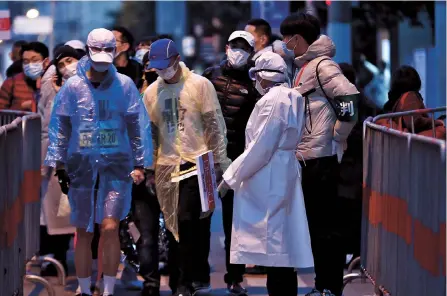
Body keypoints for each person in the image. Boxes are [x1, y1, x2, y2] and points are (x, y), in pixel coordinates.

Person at [45, 28, 149, 296]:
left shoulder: (124, 85)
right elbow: (61, 126)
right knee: (85, 230)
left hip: (117, 164)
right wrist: (59, 165)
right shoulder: (73, 87)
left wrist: (140, 163)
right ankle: (83, 286)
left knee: (111, 226)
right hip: (81, 165)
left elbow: (137, 125)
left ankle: (109, 289)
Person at [219, 51, 314, 296]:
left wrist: (230, 177)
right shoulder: (293, 97)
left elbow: (260, 147)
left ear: (263, 76)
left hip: (269, 174)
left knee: (274, 246)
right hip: (282, 171)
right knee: (281, 246)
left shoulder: (273, 101)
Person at [142, 38, 230, 296]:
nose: (161, 70)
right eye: (156, 66)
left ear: (177, 58)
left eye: (165, 64)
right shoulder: (151, 94)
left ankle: (194, 276)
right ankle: (180, 281)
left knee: (195, 223)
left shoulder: (200, 85)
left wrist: (219, 162)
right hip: (167, 166)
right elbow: (150, 134)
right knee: (174, 225)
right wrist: (149, 168)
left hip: (201, 163)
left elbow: (215, 124)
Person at [280, 12, 360, 296]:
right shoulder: (304, 67)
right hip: (307, 159)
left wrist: (337, 136)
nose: (284, 43)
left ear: (297, 38)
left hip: (321, 160)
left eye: (285, 38)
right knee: (315, 227)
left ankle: (329, 287)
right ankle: (322, 285)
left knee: (325, 229)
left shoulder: (322, 66)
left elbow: (349, 99)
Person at [202, 30, 258, 295]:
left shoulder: (253, 82)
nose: (238, 51)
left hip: (236, 160)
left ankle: (234, 277)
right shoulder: (209, 76)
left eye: (244, 48)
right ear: (226, 47)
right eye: (235, 46)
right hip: (205, 158)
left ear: (251, 52)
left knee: (234, 222)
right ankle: (198, 276)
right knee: (201, 217)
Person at [39, 45, 85, 277]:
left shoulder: (97, 81)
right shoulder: (55, 87)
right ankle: (78, 274)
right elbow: (52, 124)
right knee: (64, 213)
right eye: (63, 63)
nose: (68, 66)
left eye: (71, 60)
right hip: (65, 160)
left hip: (93, 158)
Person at [337, 63, 378, 267]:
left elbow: (345, 133)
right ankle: (356, 254)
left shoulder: (346, 101)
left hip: (348, 166)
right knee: (354, 212)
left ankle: (351, 255)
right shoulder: (364, 99)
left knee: (346, 212)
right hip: (360, 165)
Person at [381, 65, 445, 136]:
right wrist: (437, 122)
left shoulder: (396, 100)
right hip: (417, 144)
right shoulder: (410, 96)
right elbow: (414, 122)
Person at [0, 42, 50, 112]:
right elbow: (2, 111)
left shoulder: (53, 82)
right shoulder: (11, 83)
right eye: (26, 61)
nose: (30, 65)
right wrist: (21, 107)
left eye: (35, 60)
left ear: (46, 61)